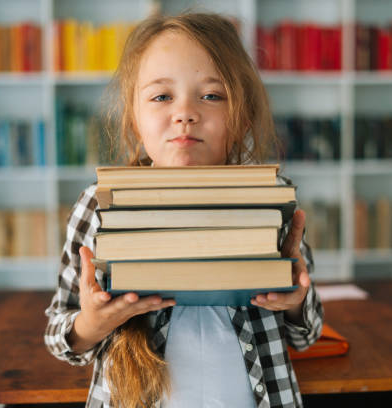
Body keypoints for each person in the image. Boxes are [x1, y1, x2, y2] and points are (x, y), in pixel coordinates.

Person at [44, 12, 323, 408]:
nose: (185, 113)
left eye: (211, 95)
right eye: (161, 96)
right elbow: (60, 336)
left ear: (241, 116)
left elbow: (307, 335)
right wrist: (91, 323)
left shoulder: (270, 197)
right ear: (135, 118)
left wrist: (294, 302)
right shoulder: (102, 202)